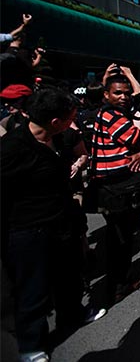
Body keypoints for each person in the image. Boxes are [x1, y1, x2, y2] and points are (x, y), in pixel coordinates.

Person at [1, 87, 106, 362]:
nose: (74, 121)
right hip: (28, 230)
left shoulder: (61, 138)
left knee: (69, 276)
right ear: (54, 121)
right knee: (32, 290)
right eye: (70, 117)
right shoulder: (12, 147)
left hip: (63, 223)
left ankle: (72, 315)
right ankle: (32, 345)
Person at [92, 64, 140, 304]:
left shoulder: (120, 112)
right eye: (117, 93)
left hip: (126, 184)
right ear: (106, 95)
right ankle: (121, 284)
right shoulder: (110, 115)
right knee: (123, 238)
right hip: (118, 187)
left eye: (126, 93)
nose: (124, 97)